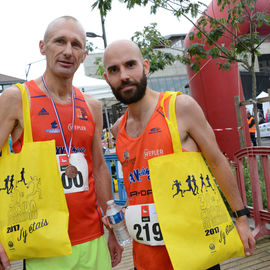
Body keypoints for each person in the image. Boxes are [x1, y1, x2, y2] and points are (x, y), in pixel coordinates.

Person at [103, 40, 256, 270]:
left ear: (145, 67)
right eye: (114, 70)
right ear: (107, 79)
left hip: (194, 254)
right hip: (146, 258)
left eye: (130, 65)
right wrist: (127, 214)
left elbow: (217, 161)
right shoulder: (118, 129)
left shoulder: (179, 107)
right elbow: (140, 186)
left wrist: (241, 217)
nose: (123, 75)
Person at [0, 16, 123, 270]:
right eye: (60, 42)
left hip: (92, 238)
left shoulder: (92, 105)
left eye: (76, 45)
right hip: (43, 243)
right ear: (43, 47)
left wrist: (113, 228)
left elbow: (99, 168)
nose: (68, 51)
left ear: (83, 54)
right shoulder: (17, 98)